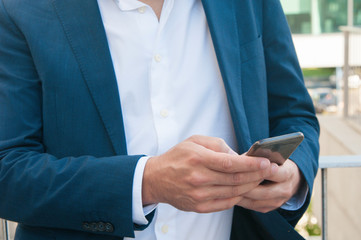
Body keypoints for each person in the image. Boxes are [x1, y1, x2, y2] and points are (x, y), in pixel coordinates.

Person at [0, 0, 320, 239]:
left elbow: (295, 114)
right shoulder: (21, 8)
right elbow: (7, 168)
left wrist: (292, 178)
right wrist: (147, 183)